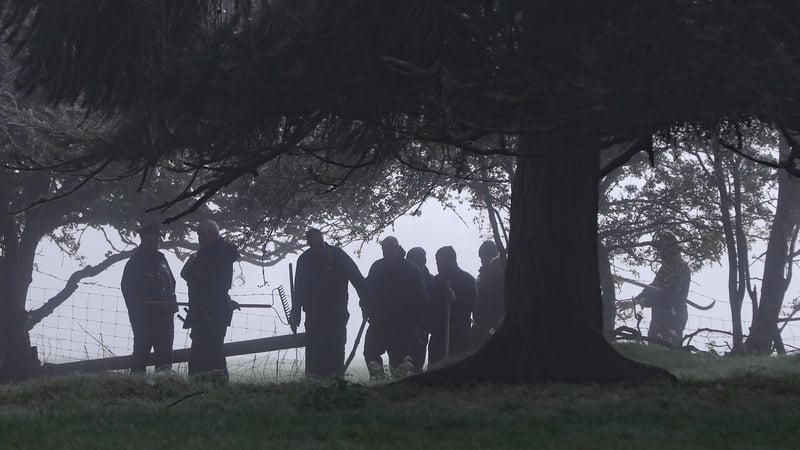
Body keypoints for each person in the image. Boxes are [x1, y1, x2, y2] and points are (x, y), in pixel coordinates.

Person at [290, 228, 372, 378]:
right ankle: (314, 383)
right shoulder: (304, 260)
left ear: (323, 240)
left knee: (336, 347)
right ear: (308, 243)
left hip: (336, 313)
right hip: (314, 314)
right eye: (314, 244)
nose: (318, 247)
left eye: (319, 243)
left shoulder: (338, 256)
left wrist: (366, 302)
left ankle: (336, 380)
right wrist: (295, 312)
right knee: (315, 349)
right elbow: (299, 289)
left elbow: (357, 279)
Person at [180, 220, 240, 382]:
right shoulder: (206, 254)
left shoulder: (218, 255)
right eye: (198, 234)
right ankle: (203, 385)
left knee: (210, 351)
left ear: (214, 235)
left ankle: (212, 385)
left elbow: (216, 286)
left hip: (211, 311)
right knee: (203, 350)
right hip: (203, 310)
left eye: (204, 234)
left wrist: (208, 311)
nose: (200, 237)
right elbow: (187, 274)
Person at [362, 237, 428, 379]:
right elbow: (366, 291)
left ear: (397, 249)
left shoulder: (410, 270)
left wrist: (417, 324)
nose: (388, 252)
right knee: (370, 352)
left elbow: (421, 298)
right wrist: (365, 308)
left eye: (390, 249)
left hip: (402, 326)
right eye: (385, 249)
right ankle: (379, 380)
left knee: (399, 363)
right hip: (379, 322)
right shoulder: (377, 267)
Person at [121, 223, 177, 374]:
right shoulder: (135, 263)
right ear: (144, 238)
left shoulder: (162, 260)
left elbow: (171, 283)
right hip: (144, 318)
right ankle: (136, 385)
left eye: (157, 236)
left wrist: (171, 308)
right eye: (153, 236)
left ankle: (164, 385)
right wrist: (138, 311)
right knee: (141, 354)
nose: (157, 240)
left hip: (165, 316)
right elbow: (128, 290)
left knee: (165, 356)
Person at [634, 233, 691, 348]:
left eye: (662, 249)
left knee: (665, 349)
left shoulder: (676, 266)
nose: (660, 253)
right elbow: (655, 288)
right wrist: (639, 298)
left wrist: (642, 300)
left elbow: (662, 291)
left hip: (670, 315)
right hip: (665, 314)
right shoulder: (670, 266)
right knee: (658, 350)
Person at [427, 246, 477, 368]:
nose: (437, 266)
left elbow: (472, 305)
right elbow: (429, 307)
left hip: (459, 336)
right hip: (438, 336)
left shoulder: (467, 279)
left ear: (449, 262)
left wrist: (456, 300)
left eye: (439, 262)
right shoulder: (435, 282)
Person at [471, 240, 505, 349]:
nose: (483, 262)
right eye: (482, 258)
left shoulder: (503, 279)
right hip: (481, 328)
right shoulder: (479, 281)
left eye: (486, 257)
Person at [405, 246, 434, 373]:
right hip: (403, 327)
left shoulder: (430, 281)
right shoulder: (403, 279)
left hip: (421, 328)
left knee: (416, 362)